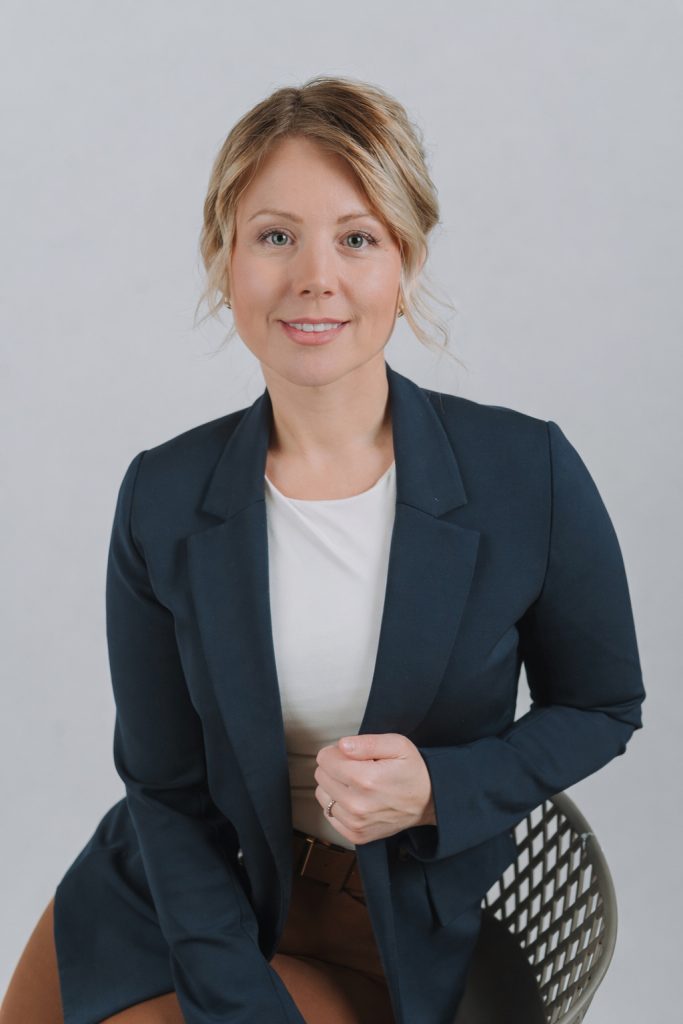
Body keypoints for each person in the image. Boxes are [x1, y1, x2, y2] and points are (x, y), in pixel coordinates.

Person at [1, 75, 645, 1024]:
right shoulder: (161, 496)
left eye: (356, 238)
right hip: (172, 896)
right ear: (225, 261)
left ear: (404, 261)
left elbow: (600, 705)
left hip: (381, 924)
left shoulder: (526, 473)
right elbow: (164, 788)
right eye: (274, 237)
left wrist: (438, 789)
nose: (314, 276)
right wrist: (237, 1003)